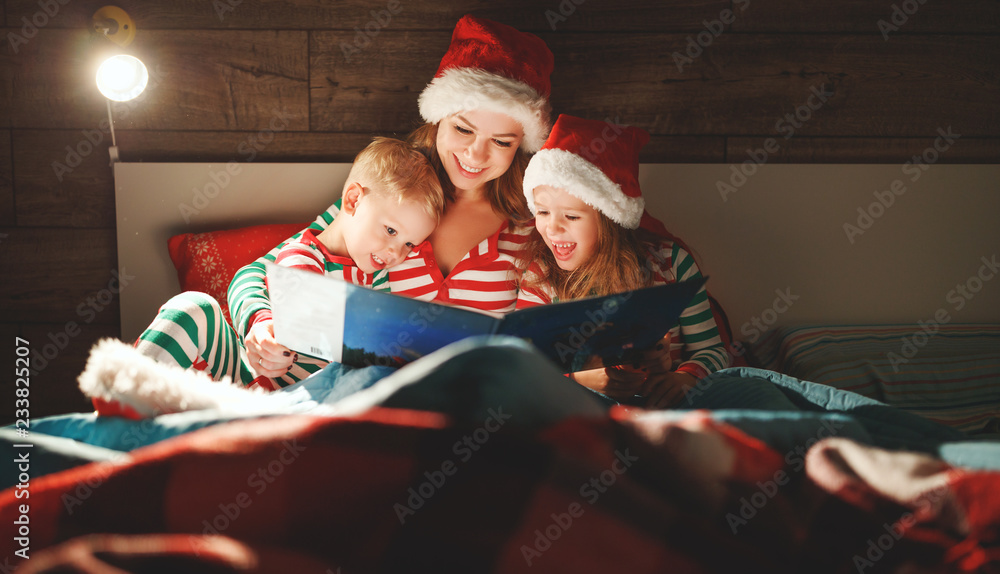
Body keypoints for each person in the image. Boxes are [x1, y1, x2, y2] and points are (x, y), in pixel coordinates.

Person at [228, 15, 555, 388]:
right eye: (463, 129)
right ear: (437, 120)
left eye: (502, 142)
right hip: (372, 395)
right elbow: (257, 275)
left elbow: (540, 346)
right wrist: (262, 322)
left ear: (521, 145)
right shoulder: (393, 191)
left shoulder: (531, 223)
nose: (476, 154)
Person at [130, 138, 444, 394]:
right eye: (390, 231)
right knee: (192, 308)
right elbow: (267, 285)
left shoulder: (380, 279)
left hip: (298, 404)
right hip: (240, 378)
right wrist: (263, 323)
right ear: (352, 201)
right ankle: (122, 401)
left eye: (409, 244)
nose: (396, 252)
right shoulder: (303, 255)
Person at [515, 114, 731, 408]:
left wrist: (685, 378)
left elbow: (714, 352)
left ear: (609, 219)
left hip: (669, 410)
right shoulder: (540, 276)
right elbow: (526, 370)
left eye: (572, 216)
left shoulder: (670, 263)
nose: (552, 228)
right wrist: (579, 379)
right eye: (542, 212)